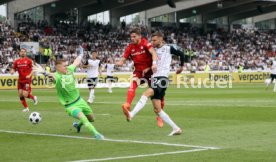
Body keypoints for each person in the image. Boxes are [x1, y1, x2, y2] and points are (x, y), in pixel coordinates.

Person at [122, 31, 185, 136]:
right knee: (157, 109)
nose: (153, 42)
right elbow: (152, 63)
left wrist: (181, 67)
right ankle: (176, 128)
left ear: (161, 39)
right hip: (155, 78)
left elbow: (181, 54)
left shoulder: (168, 48)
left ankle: (131, 114)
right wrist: (147, 68)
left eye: (155, 40)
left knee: (145, 94)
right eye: (152, 40)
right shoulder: (153, 51)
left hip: (162, 78)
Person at [40, 46, 104, 140]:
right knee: (83, 117)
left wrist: (81, 54)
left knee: (91, 119)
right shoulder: (56, 76)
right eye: (64, 66)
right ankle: (96, 134)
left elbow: (76, 62)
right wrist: (44, 73)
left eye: (66, 65)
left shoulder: (69, 69)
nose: (66, 67)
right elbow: (51, 77)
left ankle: (78, 126)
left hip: (80, 100)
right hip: (70, 105)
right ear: (58, 67)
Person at [116, 28, 166, 128]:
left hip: (150, 71)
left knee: (159, 96)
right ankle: (127, 104)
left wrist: (154, 64)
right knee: (133, 83)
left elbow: (153, 53)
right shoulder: (130, 47)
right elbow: (123, 59)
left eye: (134, 36)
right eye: (131, 37)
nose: (132, 38)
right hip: (139, 71)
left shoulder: (145, 43)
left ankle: (160, 116)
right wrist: (119, 62)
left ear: (139, 36)